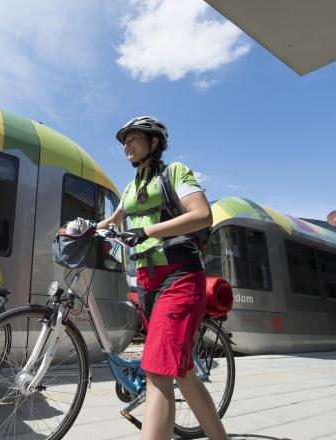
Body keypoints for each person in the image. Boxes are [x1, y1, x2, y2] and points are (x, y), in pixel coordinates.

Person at [97, 116, 227, 440]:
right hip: (146, 284)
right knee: (183, 373)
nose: (126, 144)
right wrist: (81, 228)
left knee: (158, 372)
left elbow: (201, 214)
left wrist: (147, 231)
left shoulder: (174, 173)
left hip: (179, 277)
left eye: (134, 138)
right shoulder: (131, 187)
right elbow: (112, 220)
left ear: (155, 143)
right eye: (124, 141)